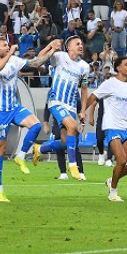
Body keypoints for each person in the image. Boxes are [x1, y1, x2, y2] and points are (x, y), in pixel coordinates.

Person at [0, 36, 54, 202]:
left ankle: (21, 156)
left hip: (14, 107)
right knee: (0, 150)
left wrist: (52, 49)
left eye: (8, 45)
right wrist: (10, 55)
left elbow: (36, 64)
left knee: (36, 125)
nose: (7, 47)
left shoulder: (14, 60)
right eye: (4, 45)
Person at [36, 35, 93, 181]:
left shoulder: (84, 67)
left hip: (71, 107)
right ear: (69, 47)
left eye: (81, 44)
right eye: (77, 43)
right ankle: (73, 166)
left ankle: (40, 149)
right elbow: (39, 58)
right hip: (55, 102)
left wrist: (82, 111)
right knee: (72, 127)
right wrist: (50, 46)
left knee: (65, 142)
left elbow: (84, 89)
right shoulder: (60, 57)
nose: (81, 46)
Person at [83, 57, 127, 202]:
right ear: (118, 68)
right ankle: (113, 192)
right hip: (112, 127)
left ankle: (111, 180)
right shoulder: (109, 84)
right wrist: (83, 111)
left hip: (126, 128)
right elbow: (93, 97)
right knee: (121, 160)